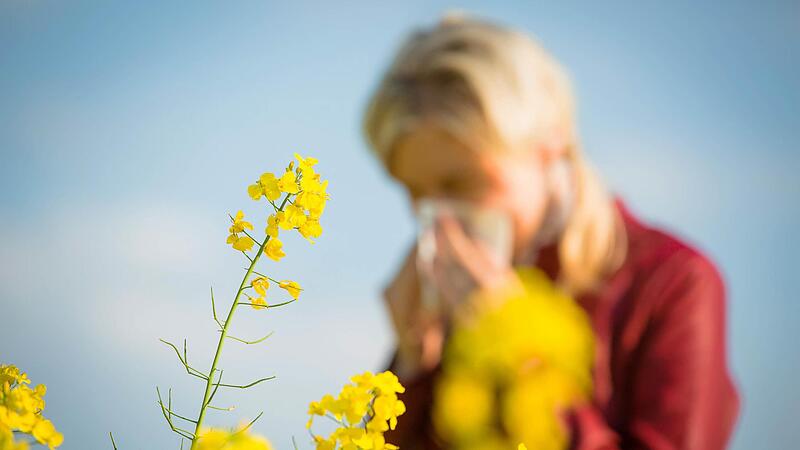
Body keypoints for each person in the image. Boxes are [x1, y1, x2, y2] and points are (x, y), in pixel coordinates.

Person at [361, 14, 740, 450]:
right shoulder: (451, 298)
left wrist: (516, 350)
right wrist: (411, 369)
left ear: (549, 147)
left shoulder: (672, 283)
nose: (440, 218)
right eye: (414, 191)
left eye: (460, 183)